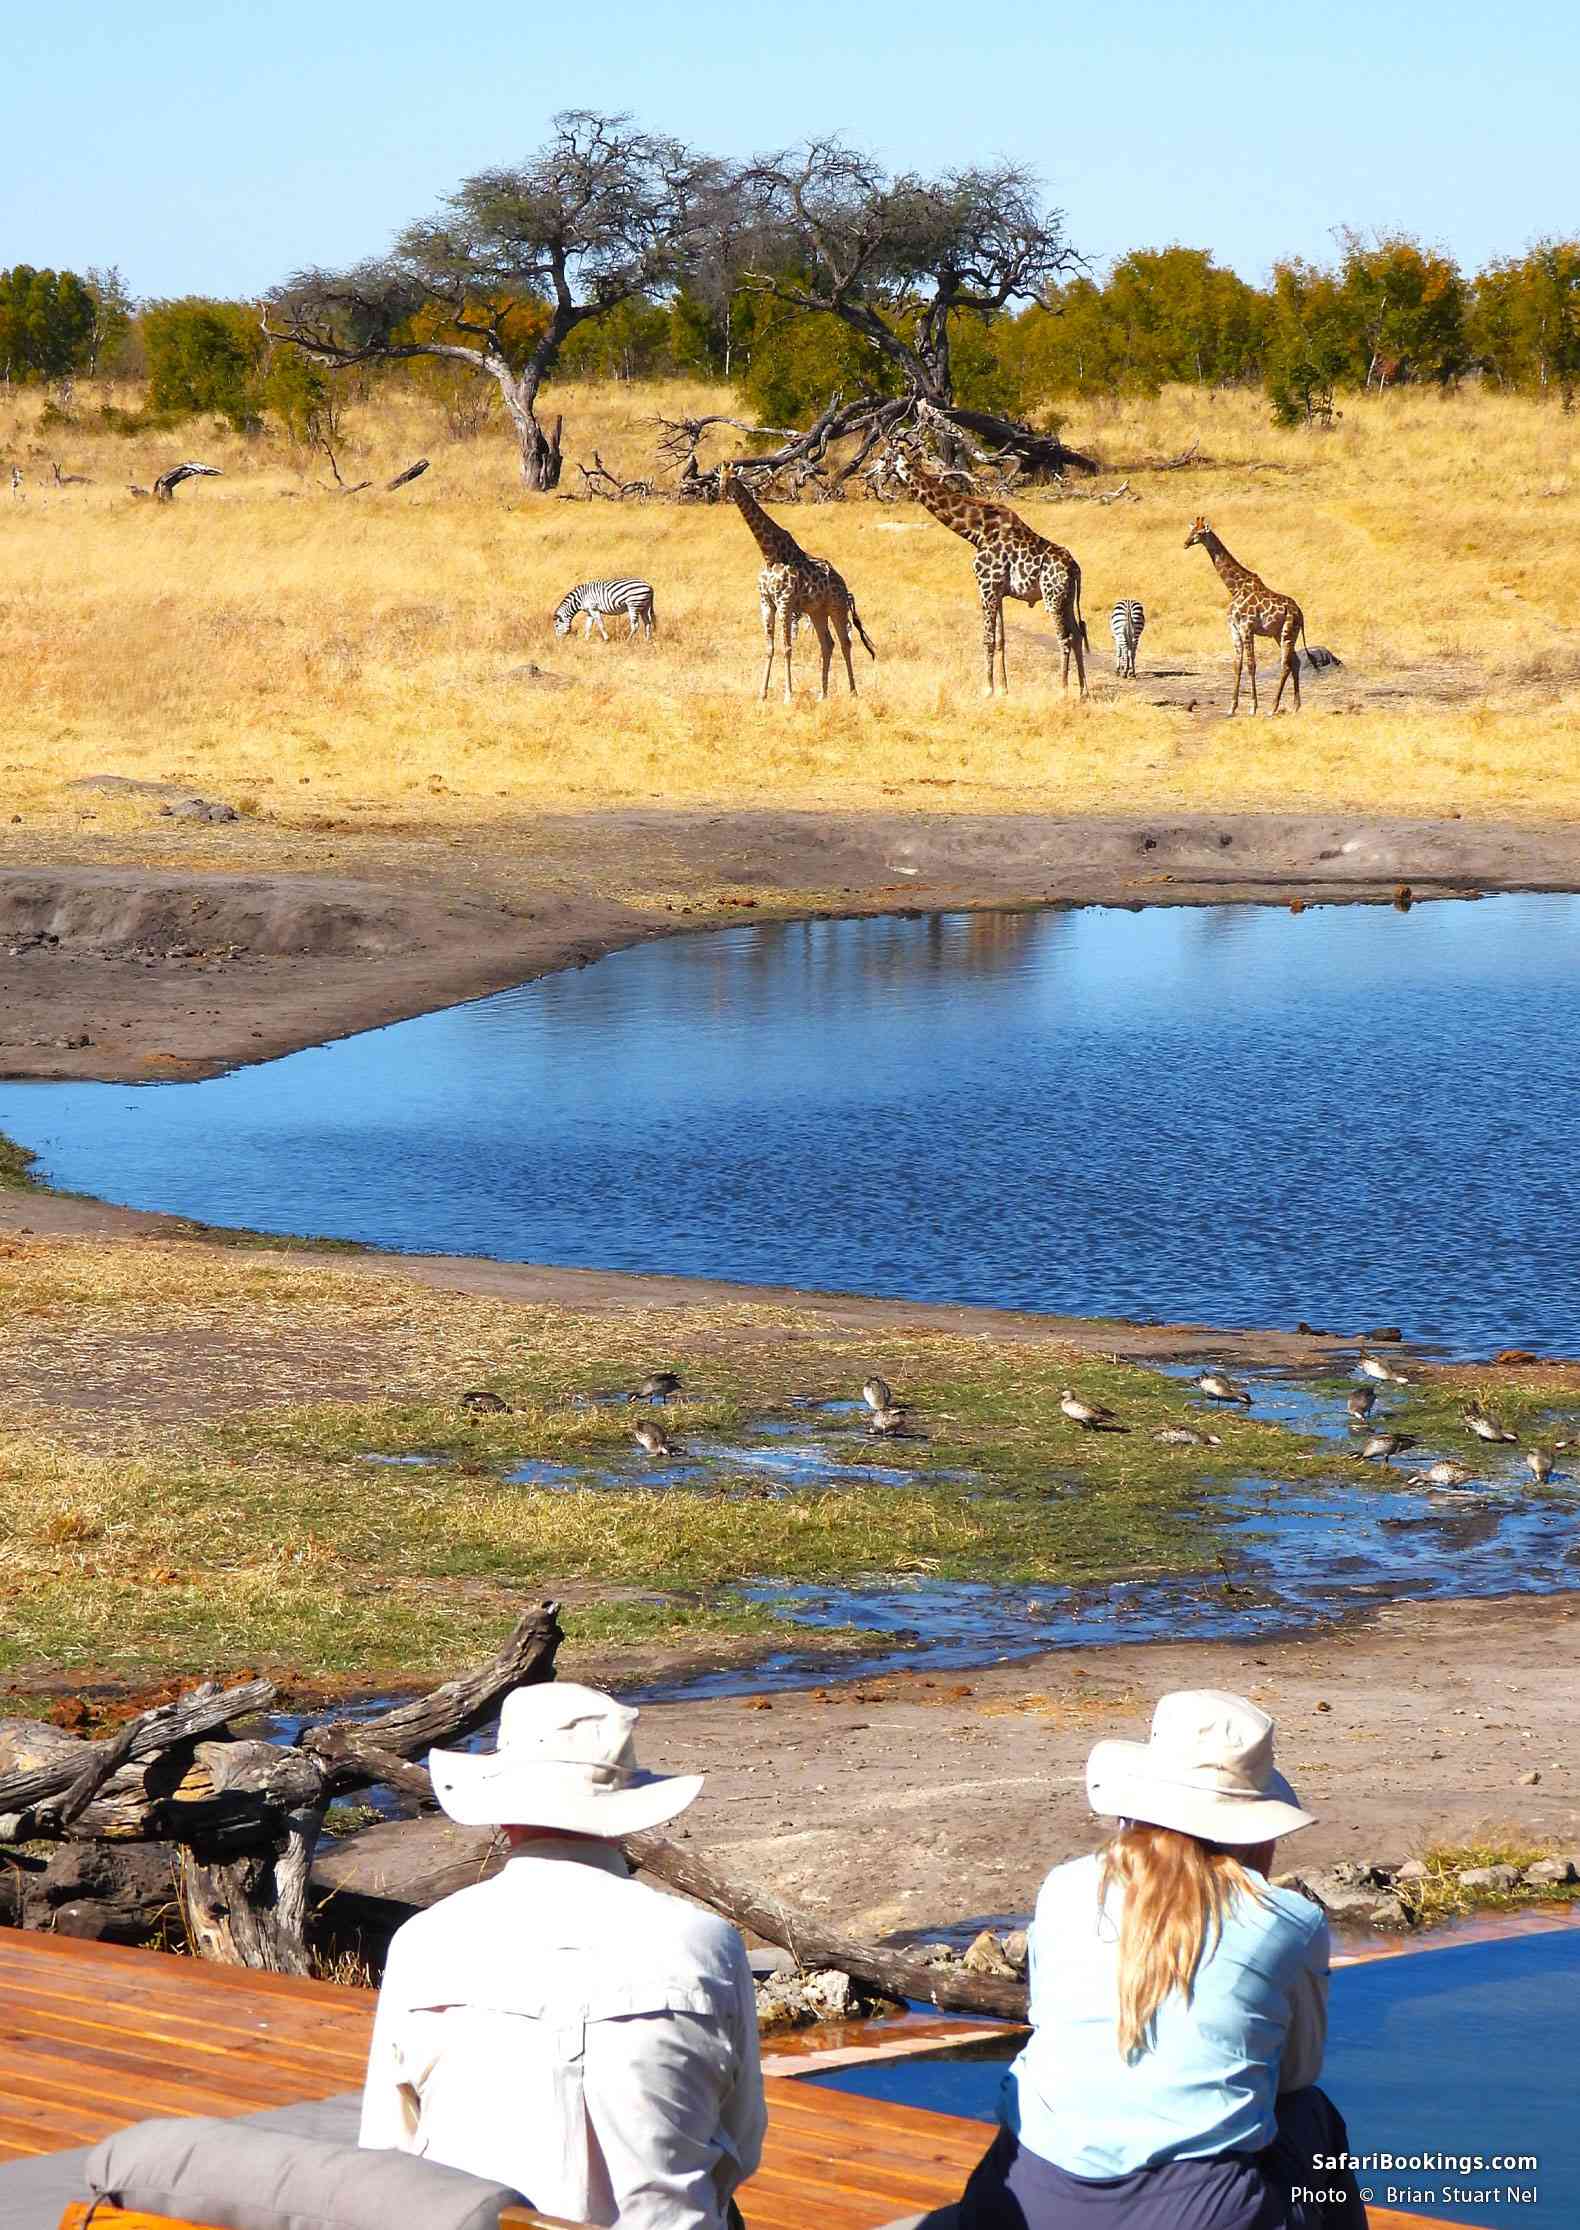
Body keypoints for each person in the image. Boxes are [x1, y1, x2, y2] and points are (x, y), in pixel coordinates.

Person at [359, 1681, 765, 2230]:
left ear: (502, 1813)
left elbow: (388, 2145)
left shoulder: (425, 1939)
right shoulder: (706, 1940)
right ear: (625, 1815)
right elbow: (741, 2141)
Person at [954, 1690, 1367, 2230]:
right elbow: (1296, 2074)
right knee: (1312, 2117)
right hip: (1196, 2214)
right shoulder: (1288, 1922)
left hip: (1024, 2198)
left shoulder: (1063, 1887)